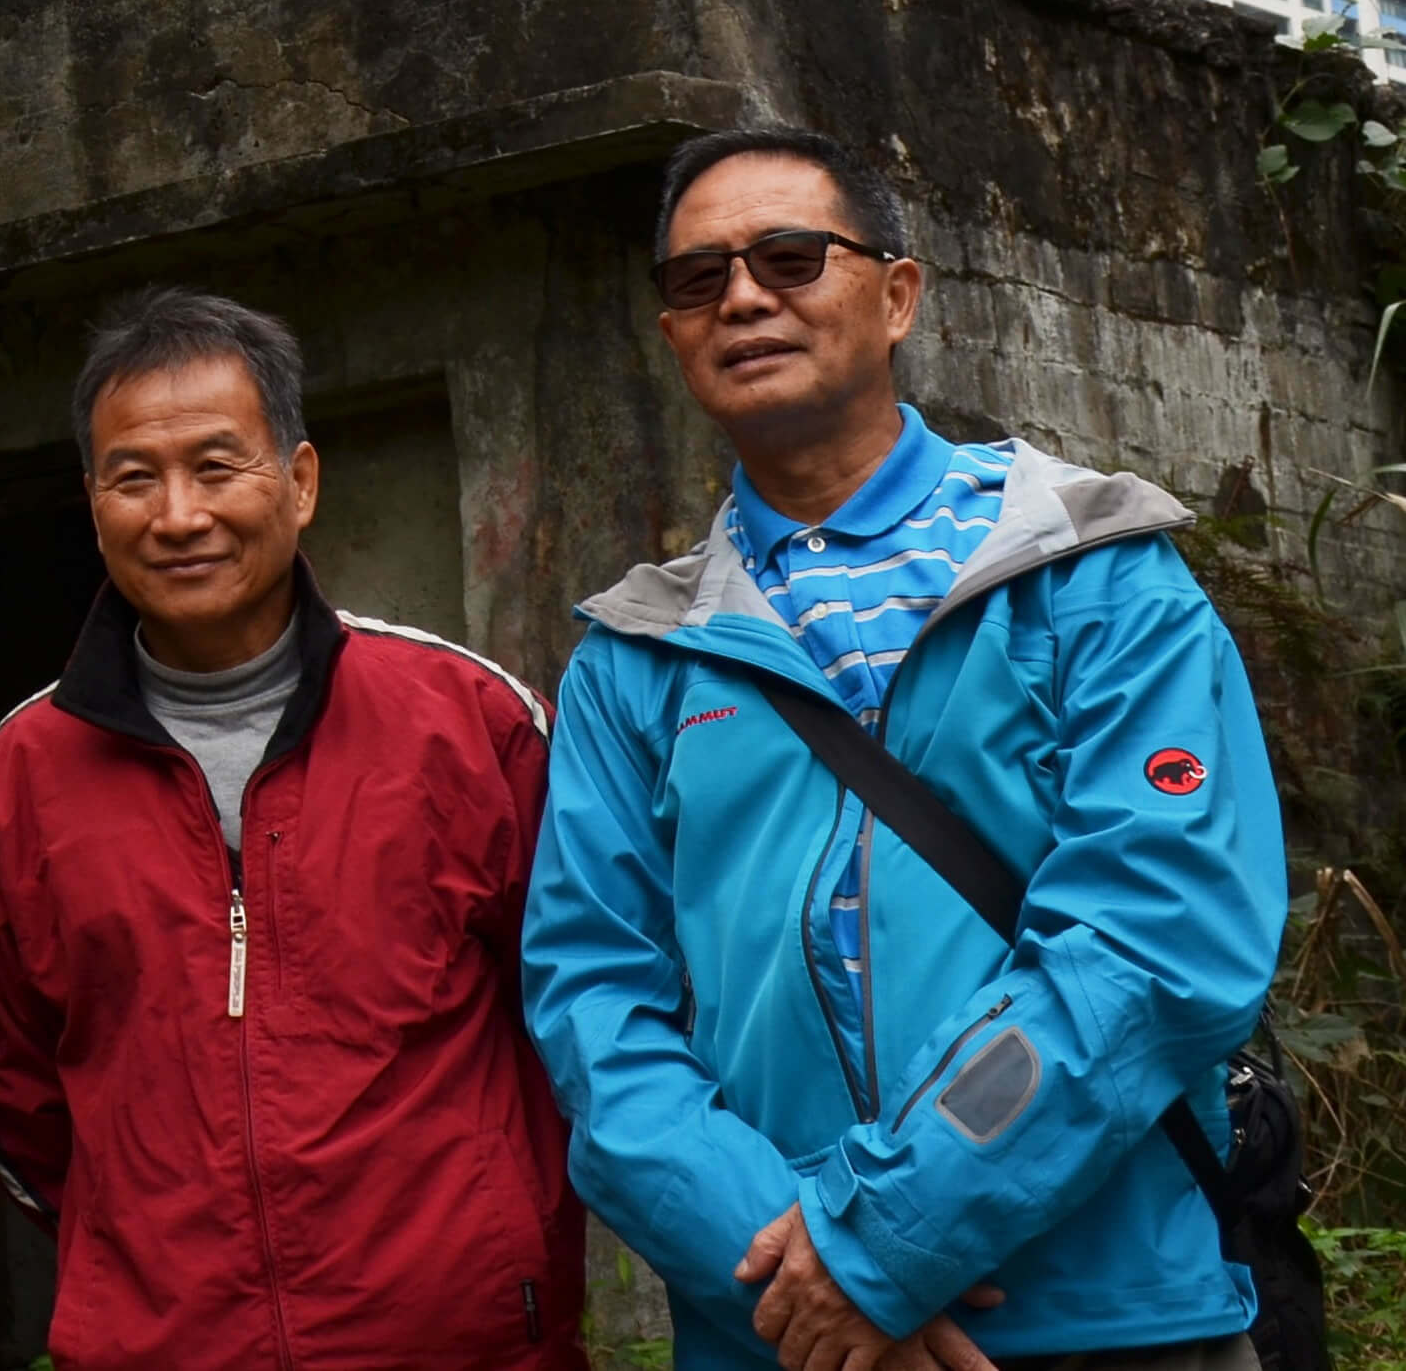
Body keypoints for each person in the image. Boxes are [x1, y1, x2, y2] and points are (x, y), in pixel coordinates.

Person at [524, 126, 1284, 1371]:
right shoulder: (635, 656)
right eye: (695, 278)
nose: (742, 297)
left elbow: (1156, 942)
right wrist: (794, 1271)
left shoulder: (1088, 575)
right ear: (668, 331)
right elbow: (596, 1012)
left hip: (1111, 1318)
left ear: (896, 294)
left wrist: (880, 1244)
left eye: (787, 255)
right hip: (784, 1336)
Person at [0, 287, 585, 1371]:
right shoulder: (12, 786)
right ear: (91, 503)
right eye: (133, 477)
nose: (177, 513)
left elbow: (587, 1014)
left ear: (297, 482)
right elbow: (13, 1100)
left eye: (215, 465)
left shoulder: (466, 722)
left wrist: (491, 1237)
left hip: (461, 1342)